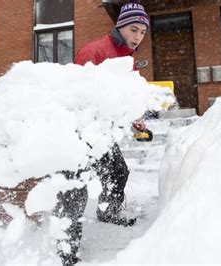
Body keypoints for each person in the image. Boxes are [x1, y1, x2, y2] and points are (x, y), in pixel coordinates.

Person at [55, 1, 150, 265]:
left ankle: (108, 212)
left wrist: (135, 117)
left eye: (142, 32)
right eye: (134, 30)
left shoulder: (127, 60)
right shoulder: (94, 52)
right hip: (78, 131)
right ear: (120, 26)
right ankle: (66, 247)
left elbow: (123, 97)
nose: (138, 37)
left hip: (102, 133)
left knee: (118, 172)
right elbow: (78, 96)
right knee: (74, 188)